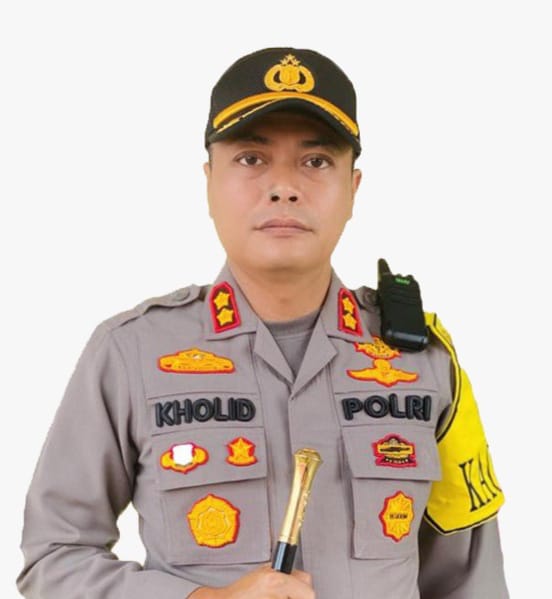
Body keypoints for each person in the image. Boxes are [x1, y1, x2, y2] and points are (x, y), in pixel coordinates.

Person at [17, 47, 509, 599]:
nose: (283, 187)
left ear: (354, 188)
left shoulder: (423, 359)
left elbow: (471, 579)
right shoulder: (131, 354)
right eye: (251, 158)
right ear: (209, 182)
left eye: (316, 161)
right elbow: (54, 558)